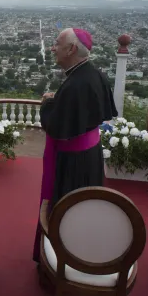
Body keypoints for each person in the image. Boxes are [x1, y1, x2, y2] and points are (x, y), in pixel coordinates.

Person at [32, 28, 117, 262]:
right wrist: (57, 100)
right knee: (84, 210)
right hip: (90, 156)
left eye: (57, 43)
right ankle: (82, 255)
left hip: (72, 164)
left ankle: (60, 264)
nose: (52, 48)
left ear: (71, 49)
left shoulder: (75, 84)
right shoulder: (93, 74)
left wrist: (48, 104)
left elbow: (57, 126)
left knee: (66, 212)